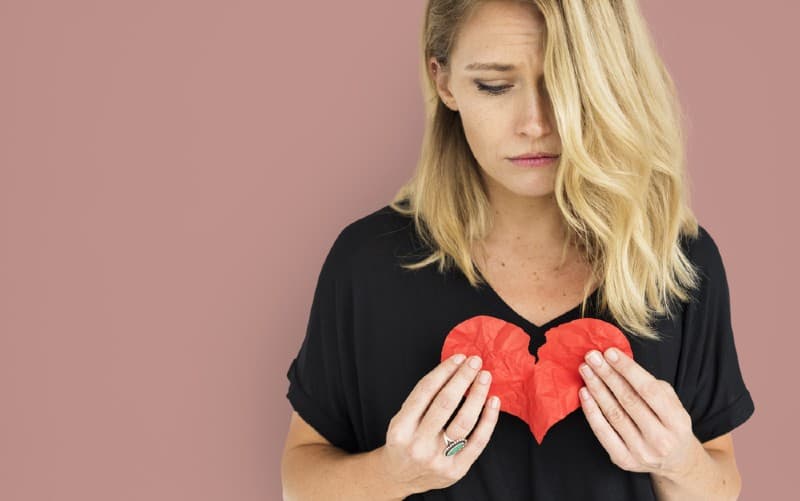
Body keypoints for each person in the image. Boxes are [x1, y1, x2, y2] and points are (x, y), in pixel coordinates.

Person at [280, 1, 755, 499]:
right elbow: (299, 481)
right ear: (443, 81)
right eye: (495, 85)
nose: (535, 123)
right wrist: (392, 475)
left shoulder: (676, 264)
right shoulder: (367, 264)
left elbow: (720, 480)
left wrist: (678, 463)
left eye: (566, 84)